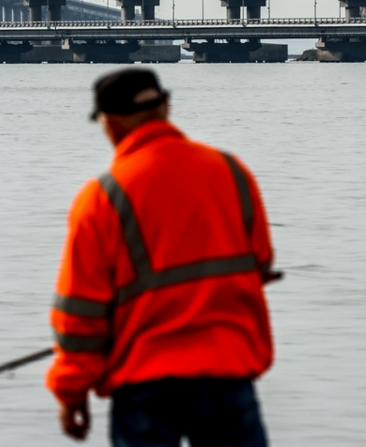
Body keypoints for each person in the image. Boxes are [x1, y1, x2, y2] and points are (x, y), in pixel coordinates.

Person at [47, 68, 280, 446]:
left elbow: (80, 314)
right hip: (228, 373)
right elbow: (260, 265)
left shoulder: (101, 199)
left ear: (111, 122)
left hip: (145, 384)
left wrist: (70, 391)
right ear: (166, 108)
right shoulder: (232, 173)